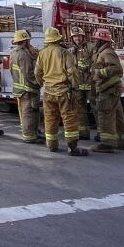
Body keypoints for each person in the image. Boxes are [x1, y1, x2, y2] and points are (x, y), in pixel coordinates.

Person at [34, 26, 88, 157]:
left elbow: (37, 72)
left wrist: (44, 84)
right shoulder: (65, 53)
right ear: (58, 39)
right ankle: (72, 148)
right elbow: (72, 72)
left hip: (48, 92)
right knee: (69, 119)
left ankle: (52, 145)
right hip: (64, 92)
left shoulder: (42, 53)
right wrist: (76, 87)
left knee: (50, 119)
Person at [90, 28, 124, 153]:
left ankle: (107, 144)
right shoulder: (103, 51)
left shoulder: (106, 53)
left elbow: (117, 69)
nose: (94, 41)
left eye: (96, 39)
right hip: (110, 89)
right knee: (116, 116)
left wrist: (99, 73)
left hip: (108, 88)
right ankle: (121, 141)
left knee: (105, 115)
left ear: (101, 40)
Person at [8, 29, 43, 143]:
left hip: (21, 88)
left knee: (28, 112)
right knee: (28, 113)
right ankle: (29, 136)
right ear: (25, 40)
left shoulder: (14, 52)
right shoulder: (23, 54)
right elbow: (28, 73)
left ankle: (33, 132)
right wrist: (39, 83)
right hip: (27, 89)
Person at [69, 26, 95, 141]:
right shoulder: (70, 51)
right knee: (80, 109)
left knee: (96, 108)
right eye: (74, 37)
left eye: (78, 36)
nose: (77, 39)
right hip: (78, 84)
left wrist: (88, 68)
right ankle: (83, 132)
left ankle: (101, 132)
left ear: (83, 36)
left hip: (90, 83)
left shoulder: (90, 47)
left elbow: (96, 61)